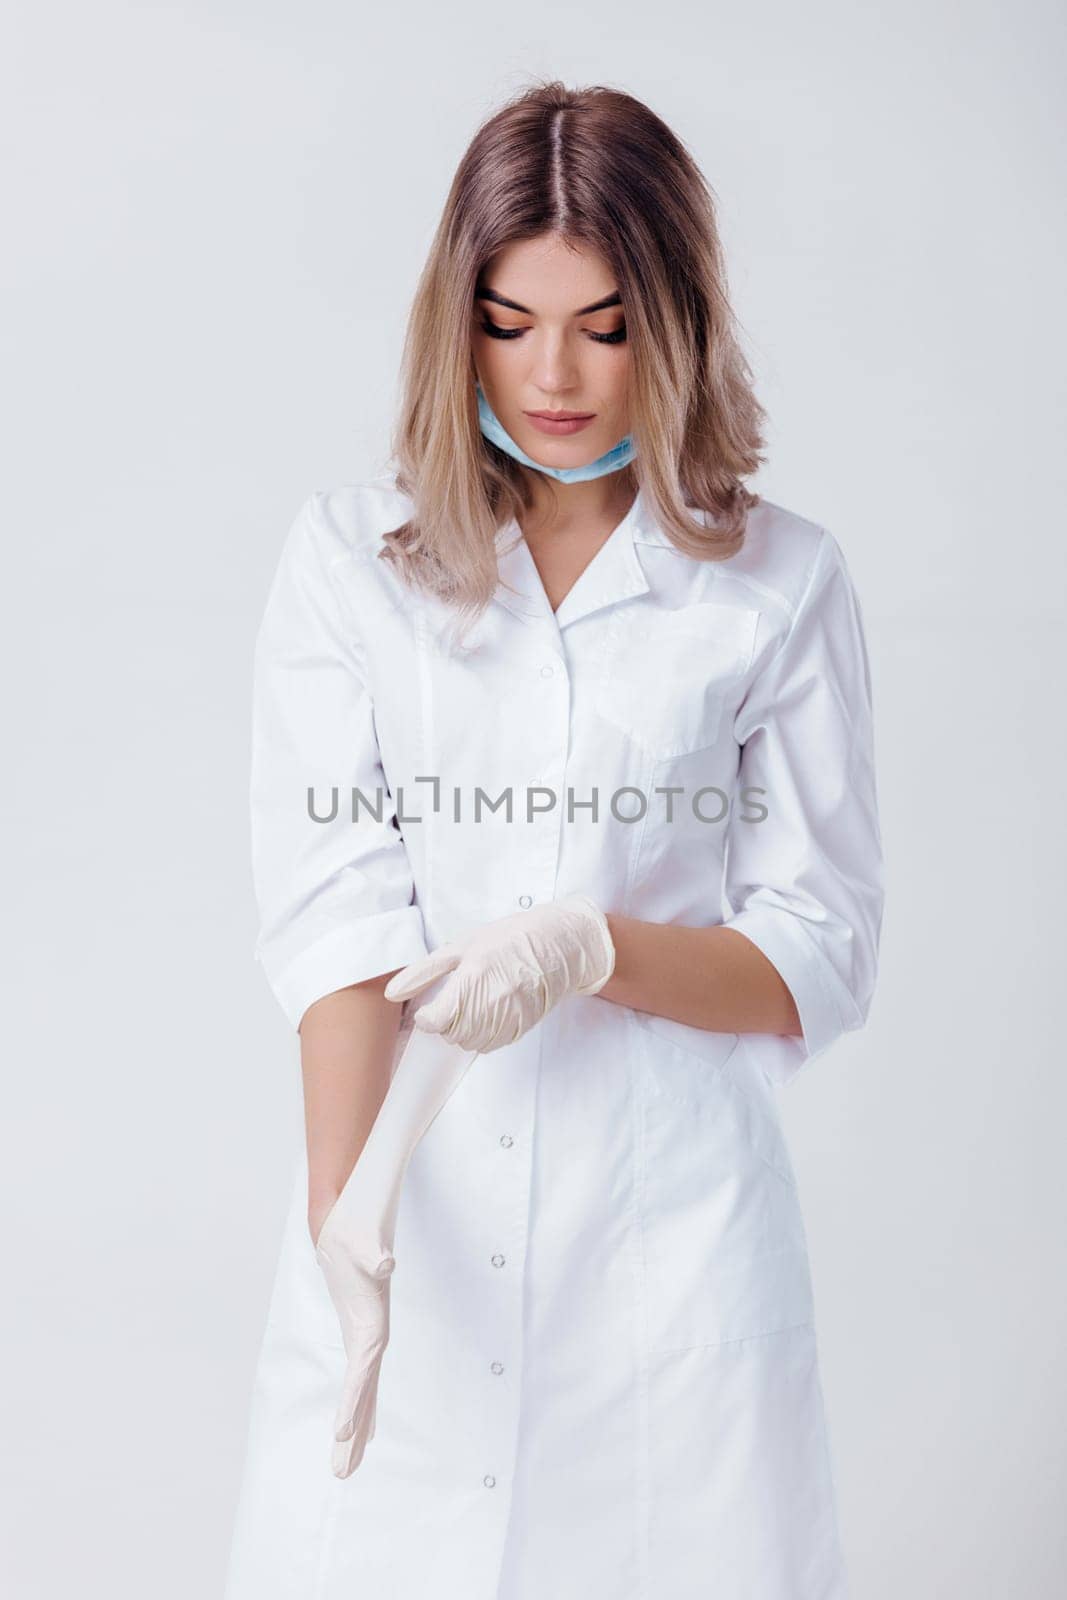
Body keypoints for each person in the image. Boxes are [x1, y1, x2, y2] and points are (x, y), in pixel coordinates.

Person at [224, 79, 885, 1600]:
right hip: (422, 1221)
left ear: (678, 320)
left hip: (670, 1246)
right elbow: (337, 912)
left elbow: (821, 950)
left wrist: (592, 950)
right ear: (455, 322)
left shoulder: (778, 585)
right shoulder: (348, 567)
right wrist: (353, 1221)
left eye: (605, 323)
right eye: (511, 323)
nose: (556, 375)